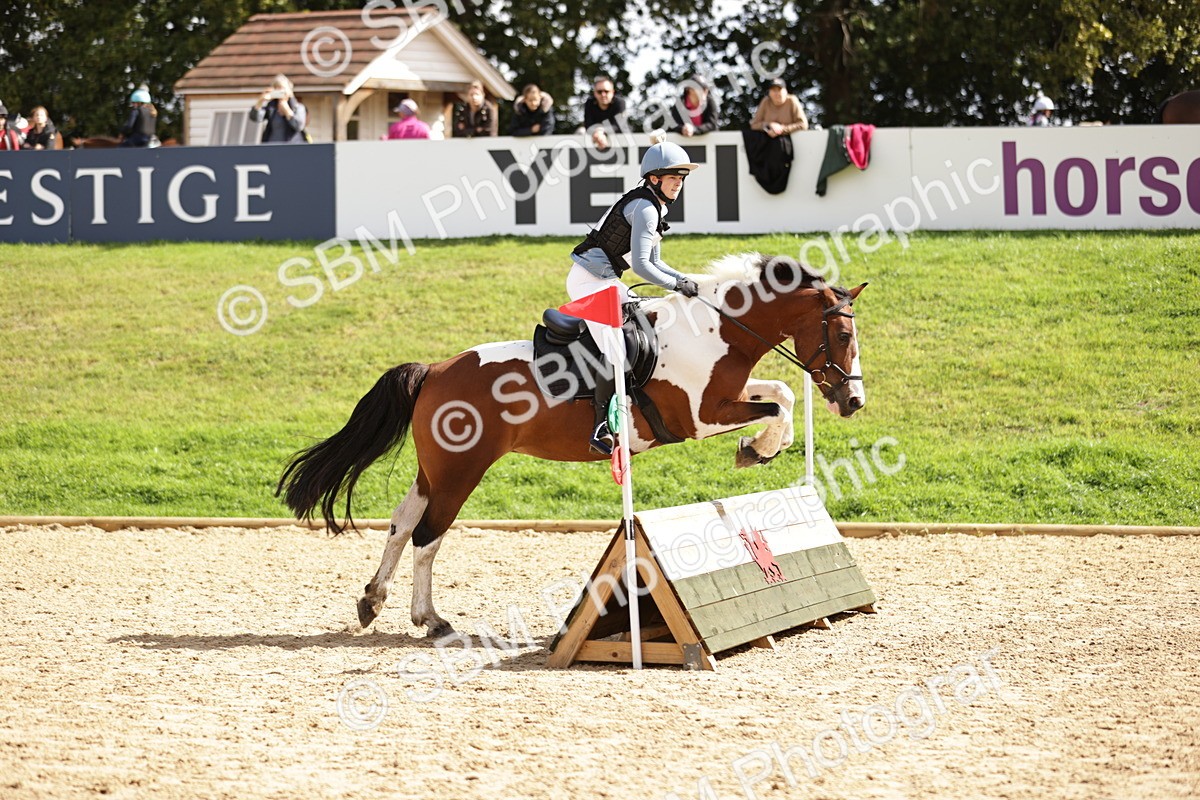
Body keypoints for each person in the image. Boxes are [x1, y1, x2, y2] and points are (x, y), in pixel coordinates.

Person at [568, 134, 701, 455]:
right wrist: (676, 286)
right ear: (654, 179)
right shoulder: (644, 209)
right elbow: (642, 267)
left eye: (681, 179)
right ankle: (600, 425)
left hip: (607, 280)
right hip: (588, 282)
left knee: (648, 326)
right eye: (673, 178)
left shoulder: (655, 207)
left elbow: (655, 262)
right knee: (616, 349)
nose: (678, 184)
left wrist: (684, 280)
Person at [249, 75, 307, 144]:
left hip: (291, 147)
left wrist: (287, 110)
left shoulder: (297, 107)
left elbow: (299, 125)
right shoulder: (271, 107)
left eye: (281, 88)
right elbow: (255, 117)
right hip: (272, 147)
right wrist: (261, 100)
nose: (279, 91)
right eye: (276, 88)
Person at [581, 74, 629, 150]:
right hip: (595, 142)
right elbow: (588, 125)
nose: (603, 94)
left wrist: (602, 131)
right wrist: (597, 134)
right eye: (599, 92)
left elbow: (618, 126)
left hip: (622, 146)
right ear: (595, 93)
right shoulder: (589, 103)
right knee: (580, 132)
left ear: (612, 92)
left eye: (606, 91)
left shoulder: (620, 103)